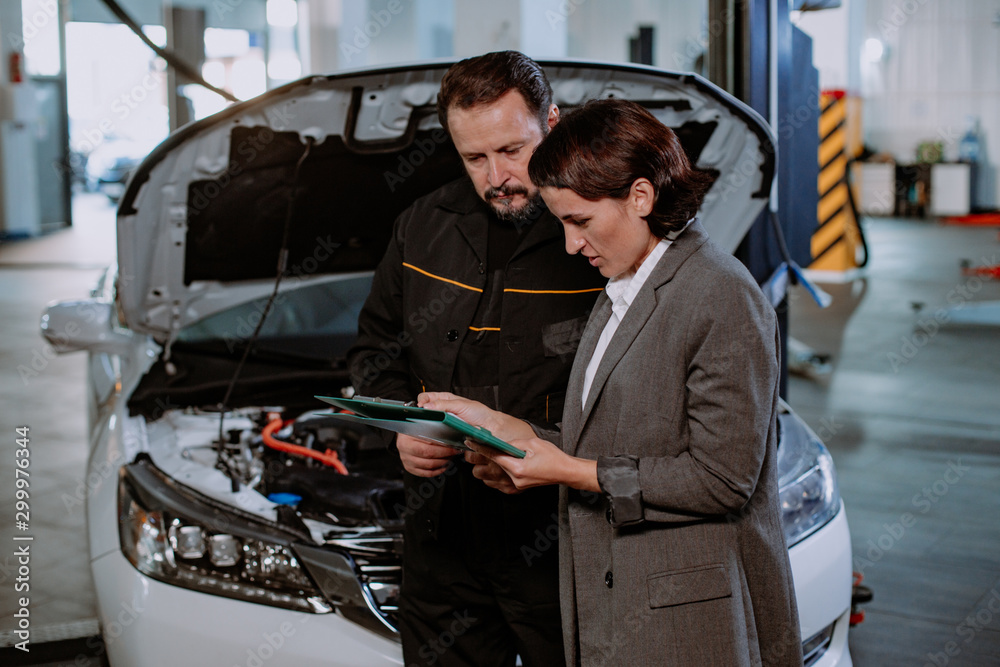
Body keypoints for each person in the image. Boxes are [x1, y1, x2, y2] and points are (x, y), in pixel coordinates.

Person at [419, 98, 802, 666]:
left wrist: (565, 471)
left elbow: (723, 480)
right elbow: (617, 437)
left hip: (688, 620)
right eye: (562, 224)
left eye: (580, 221)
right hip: (614, 604)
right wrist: (514, 432)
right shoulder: (623, 290)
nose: (572, 245)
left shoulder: (720, 295)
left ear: (641, 197)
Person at [346, 52, 605, 667]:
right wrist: (400, 430)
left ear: (553, 122)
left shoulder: (598, 234)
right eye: (475, 158)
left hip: (563, 546)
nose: (498, 177)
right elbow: (373, 350)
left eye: (513, 150)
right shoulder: (421, 226)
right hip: (442, 545)